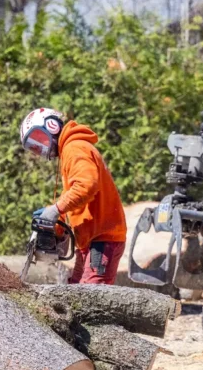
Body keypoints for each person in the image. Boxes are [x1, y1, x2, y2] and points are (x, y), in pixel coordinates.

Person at [20, 108, 127, 284]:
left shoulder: (76, 148)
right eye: (34, 145)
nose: (40, 148)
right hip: (90, 239)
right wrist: (56, 226)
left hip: (103, 239)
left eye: (39, 140)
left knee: (91, 298)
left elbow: (86, 186)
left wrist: (55, 210)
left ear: (52, 126)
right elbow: (71, 195)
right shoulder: (69, 151)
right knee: (75, 290)